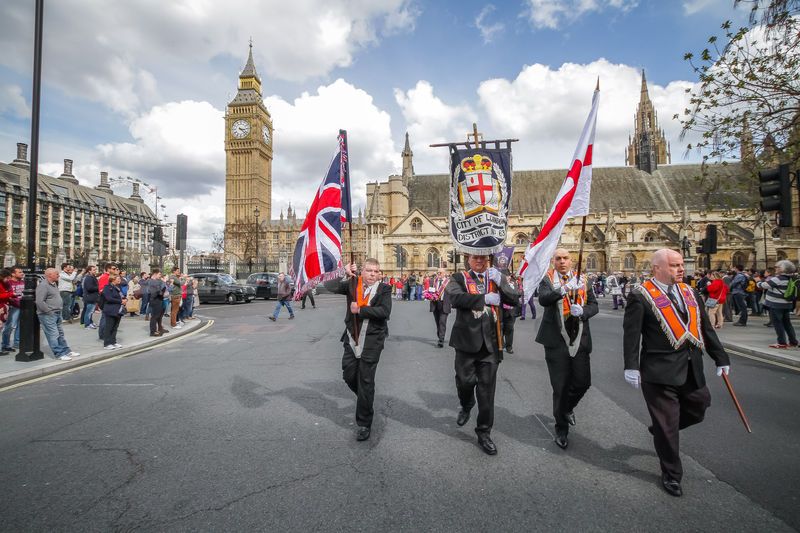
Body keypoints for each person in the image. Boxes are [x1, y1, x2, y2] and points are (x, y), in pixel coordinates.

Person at [623, 249, 730, 497]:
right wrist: (631, 365)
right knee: (668, 426)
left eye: (681, 264)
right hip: (658, 372)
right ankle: (672, 475)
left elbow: (705, 328)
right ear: (657, 268)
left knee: (700, 406)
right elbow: (632, 334)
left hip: (691, 367)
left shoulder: (690, 292)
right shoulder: (641, 296)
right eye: (674, 265)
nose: (681, 269)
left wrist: (720, 357)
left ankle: (659, 430)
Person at [446, 253, 519, 455]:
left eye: (483, 259)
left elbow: (514, 300)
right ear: (468, 260)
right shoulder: (459, 278)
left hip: (491, 344)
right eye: (475, 258)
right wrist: (482, 298)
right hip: (465, 342)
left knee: (487, 392)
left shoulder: (497, 277)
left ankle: (484, 432)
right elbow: (454, 297)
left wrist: (501, 283)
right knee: (464, 382)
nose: (480, 262)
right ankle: (467, 403)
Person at [535, 248, 599, 449]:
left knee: (583, 382)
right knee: (561, 386)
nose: (562, 262)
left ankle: (567, 409)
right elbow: (544, 299)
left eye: (565, 258)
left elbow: (594, 305)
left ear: (572, 261)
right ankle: (561, 429)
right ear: (553, 261)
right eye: (558, 259)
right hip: (556, 339)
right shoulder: (547, 279)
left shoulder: (584, 280)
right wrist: (563, 289)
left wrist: (584, 312)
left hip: (579, 337)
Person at [324, 259, 392, 441]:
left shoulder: (384, 289)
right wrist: (343, 272)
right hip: (351, 338)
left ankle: (364, 423)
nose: (372, 274)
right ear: (361, 271)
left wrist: (360, 310)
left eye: (375, 271)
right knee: (349, 375)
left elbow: (385, 312)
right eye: (368, 270)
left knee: (366, 380)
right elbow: (328, 286)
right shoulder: (353, 284)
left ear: (379, 273)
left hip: (372, 341)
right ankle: (365, 399)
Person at [35, 268, 80, 361]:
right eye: (56, 274)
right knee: (53, 334)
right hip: (48, 314)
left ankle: (66, 351)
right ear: (49, 275)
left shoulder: (54, 284)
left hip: (57, 312)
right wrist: (48, 311)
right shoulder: (43, 286)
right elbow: (39, 301)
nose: (58, 276)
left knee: (60, 333)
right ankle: (59, 354)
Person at [758, 260, 799, 348]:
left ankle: (782, 343)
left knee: (778, 323)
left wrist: (758, 283)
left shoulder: (778, 279)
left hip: (776, 305)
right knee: (787, 323)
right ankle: (793, 341)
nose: (775, 269)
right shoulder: (792, 278)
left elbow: (763, 285)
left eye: (777, 267)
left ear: (782, 269)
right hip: (787, 304)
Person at [1, 266, 24, 354]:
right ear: (13, 274)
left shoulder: (22, 282)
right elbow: (5, 294)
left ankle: (17, 343)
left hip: (23, 306)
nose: (22, 273)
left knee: (20, 326)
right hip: (13, 307)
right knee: (9, 326)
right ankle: (5, 344)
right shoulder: (8, 282)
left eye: (22, 272)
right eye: (19, 272)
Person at [101, 273, 126, 349]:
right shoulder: (107, 288)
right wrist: (120, 301)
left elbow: (122, 295)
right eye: (118, 279)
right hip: (110, 309)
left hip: (118, 310)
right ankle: (107, 343)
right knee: (109, 327)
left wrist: (125, 299)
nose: (120, 280)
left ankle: (113, 341)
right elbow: (109, 298)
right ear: (112, 280)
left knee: (115, 327)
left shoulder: (118, 288)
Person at [428, 267, 450, 348]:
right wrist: (429, 295)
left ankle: (441, 339)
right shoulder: (433, 281)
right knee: (437, 322)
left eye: (440, 273)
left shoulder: (449, 282)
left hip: (445, 304)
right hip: (435, 303)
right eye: (438, 272)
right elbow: (430, 291)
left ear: (444, 273)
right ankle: (440, 335)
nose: (438, 274)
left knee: (442, 322)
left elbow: (453, 293)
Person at [148, 269, 168, 336]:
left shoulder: (157, 281)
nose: (160, 276)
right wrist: (163, 283)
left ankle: (160, 328)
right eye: (159, 274)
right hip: (155, 300)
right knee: (154, 316)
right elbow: (158, 292)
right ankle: (153, 332)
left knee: (159, 316)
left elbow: (162, 290)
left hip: (160, 300)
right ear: (155, 274)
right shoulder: (151, 281)